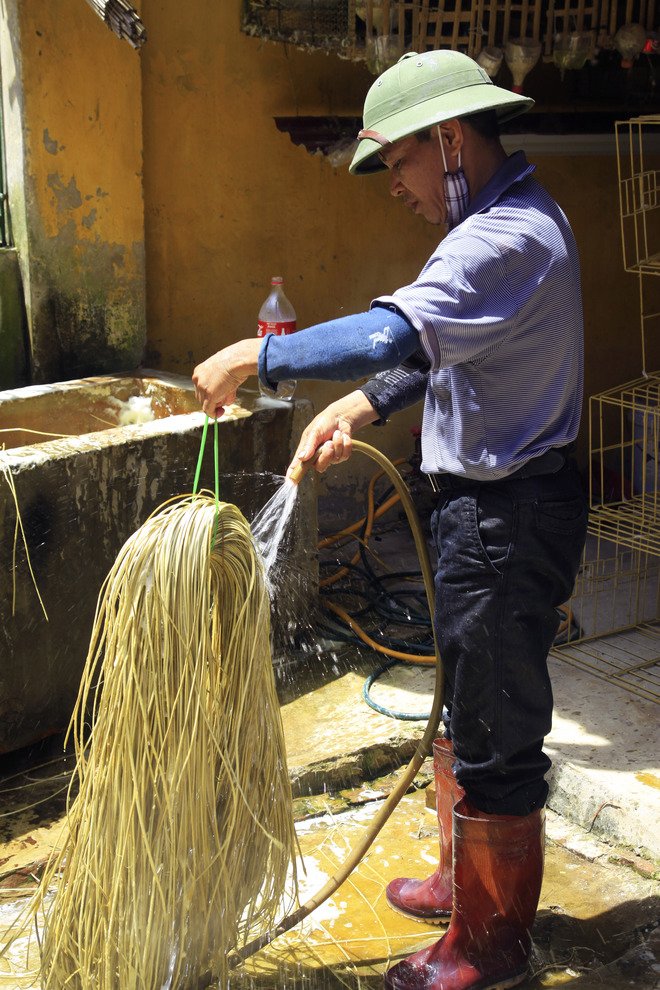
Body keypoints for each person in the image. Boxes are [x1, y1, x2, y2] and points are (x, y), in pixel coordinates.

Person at [193, 49, 588, 990]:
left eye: (401, 161)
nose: (397, 188)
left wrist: (260, 354)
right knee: (466, 699)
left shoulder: (507, 238)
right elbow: (428, 351)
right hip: (479, 511)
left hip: (510, 514)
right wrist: (359, 407)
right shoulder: (494, 225)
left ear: (449, 138)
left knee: (498, 725)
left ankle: (488, 946)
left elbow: (390, 332)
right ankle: (465, 879)